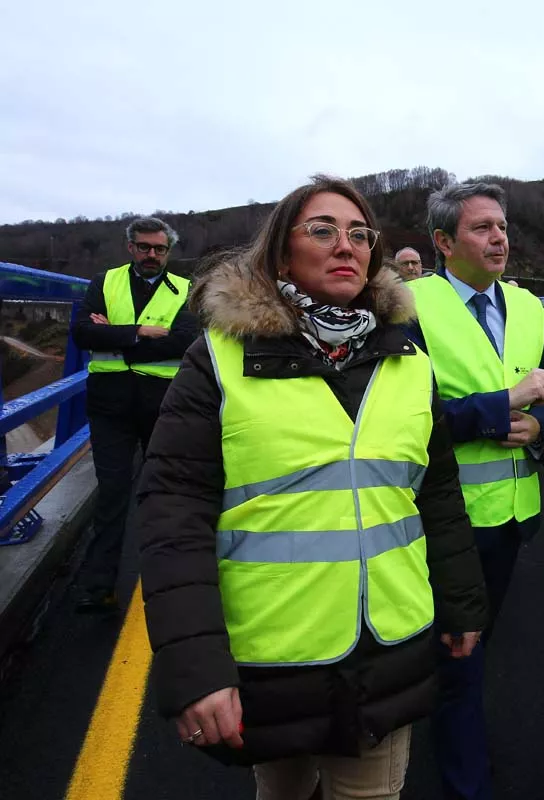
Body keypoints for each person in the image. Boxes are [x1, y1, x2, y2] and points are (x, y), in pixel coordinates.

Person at [136, 175, 488, 800]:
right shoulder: (219, 358)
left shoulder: (408, 361)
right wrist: (195, 668)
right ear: (280, 252)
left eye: (359, 234)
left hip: (388, 647)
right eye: (322, 230)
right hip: (276, 655)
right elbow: (174, 516)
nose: (345, 245)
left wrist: (462, 604)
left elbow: (436, 495)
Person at [404, 182, 544, 800]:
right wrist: (501, 405)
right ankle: (467, 782)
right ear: (443, 242)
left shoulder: (526, 306)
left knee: (470, 646)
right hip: (444, 517)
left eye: (502, 225)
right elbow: (406, 419)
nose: (500, 238)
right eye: (482, 228)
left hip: (513, 514)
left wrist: (537, 424)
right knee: (460, 659)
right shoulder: (408, 304)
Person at [69, 216, 199, 613]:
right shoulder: (103, 282)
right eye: (144, 247)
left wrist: (118, 334)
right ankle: (99, 586)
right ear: (131, 247)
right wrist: (143, 333)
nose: (151, 255)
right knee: (111, 494)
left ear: (168, 251)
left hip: (163, 405)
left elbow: (186, 342)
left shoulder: (186, 290)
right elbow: (82, 334)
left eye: (159, 249)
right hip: (110, 406)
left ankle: (176, 585)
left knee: (166, 496)